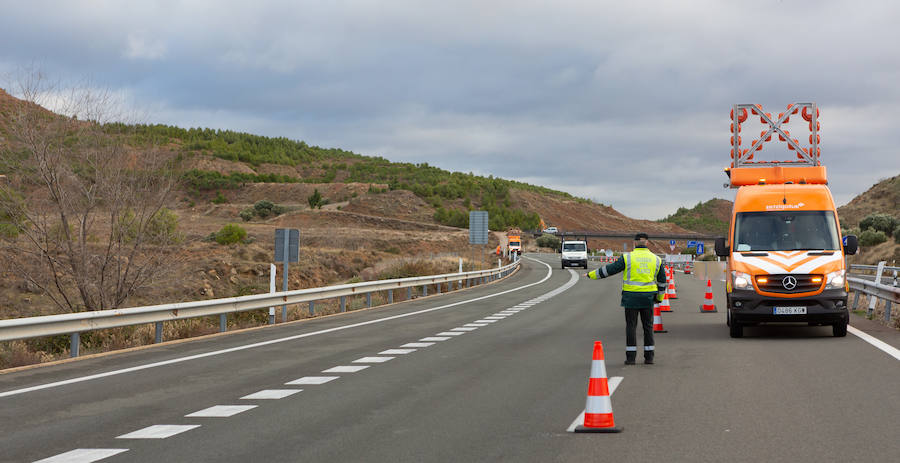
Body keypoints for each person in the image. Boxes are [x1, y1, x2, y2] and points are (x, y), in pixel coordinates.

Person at [584, 233, 667, 365]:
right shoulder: (656, 259)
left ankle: (631, 358)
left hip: (631, 298)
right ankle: (649, 357)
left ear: (634, 243)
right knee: (648, 327)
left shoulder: (628, 257)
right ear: (647, 243)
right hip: (648, 298)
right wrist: (659, 297)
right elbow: (663, 281)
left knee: (631, 327)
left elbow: (610, 270)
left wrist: (591, 275)